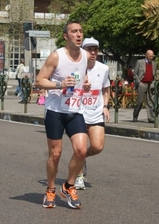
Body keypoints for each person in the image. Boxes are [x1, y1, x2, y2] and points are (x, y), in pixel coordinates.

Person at [35, 21, 91, 209]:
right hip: (55, 111)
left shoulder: (86, 56)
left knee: (81, 150)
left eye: (81, 31)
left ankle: (68, 185)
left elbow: (82, 76)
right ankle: (51, 189)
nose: (78, 34)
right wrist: (60, 85)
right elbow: (39, 81)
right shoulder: (56, 57)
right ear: (66, 36)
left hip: (75, 110)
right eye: (74, 31)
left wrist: (85, 84)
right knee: (55, 154)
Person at [74, 38, 110, 190]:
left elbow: (106, 89)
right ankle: (79, 176)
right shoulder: (75, 68)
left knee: (97, 147)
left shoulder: (103, 69)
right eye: (90, 49)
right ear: (83, 51)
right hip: (78, 113)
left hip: (96, 113)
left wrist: (106, 106)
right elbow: (68, 90)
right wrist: (81, 86)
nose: (93, 52)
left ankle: (83, 159)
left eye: (95, 49)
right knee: (80, 149)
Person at [133, 50, 157, 123]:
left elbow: (155, 74)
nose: (151, 58)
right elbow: (135, 73)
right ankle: (135, 115)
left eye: (152, 56)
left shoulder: (154, 64)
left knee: (150, 102)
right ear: (146, 55)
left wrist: (155, 79)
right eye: (150, 56)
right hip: (142, 83)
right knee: (139, 102)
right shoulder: (140, 62)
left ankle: (151, 118)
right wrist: (138, 82)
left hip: (151, 84)